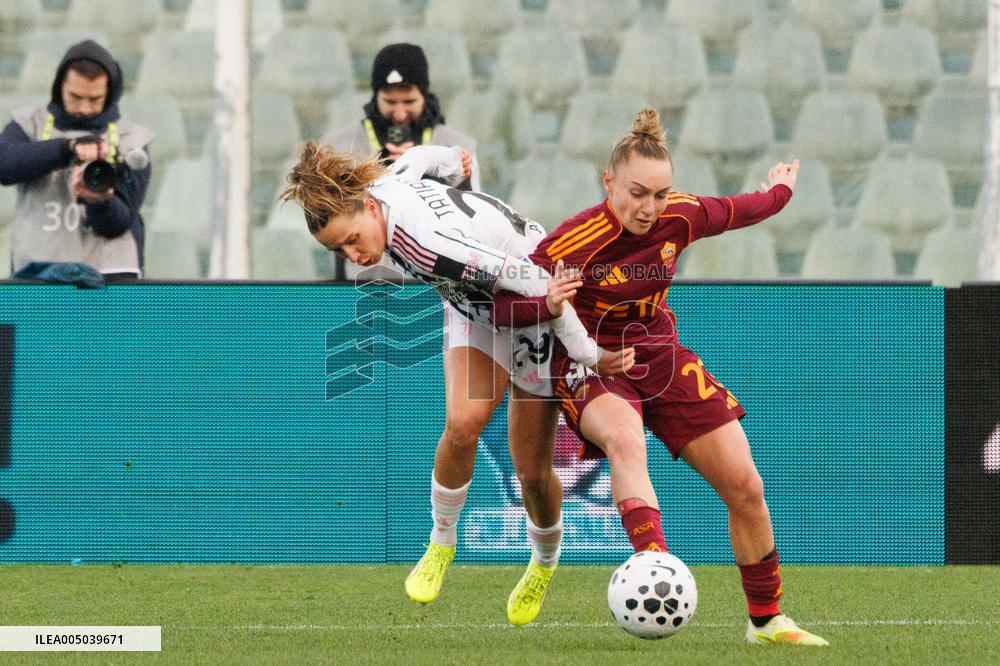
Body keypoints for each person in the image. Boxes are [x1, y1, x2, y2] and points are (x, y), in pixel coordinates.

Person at [281, 142, 634, 626]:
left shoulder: (429, 245)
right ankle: (441, 544)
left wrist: (588, 352)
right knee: (463, 423)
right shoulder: (383, 184)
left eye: (352, 239)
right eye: (337, 250)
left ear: (368, 208)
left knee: (531, 472)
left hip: (532, 308)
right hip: (475, 306)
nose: (353, 255)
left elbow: (532, 280)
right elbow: (428, 160)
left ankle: (543, 564)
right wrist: (458, 161)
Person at [527, 109, 829, 646]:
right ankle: (654, 565)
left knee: (747, 486)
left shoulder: (680, 216)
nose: (649, 208)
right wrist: (543, 300)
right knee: (624, 438)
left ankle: (767, 621)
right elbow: (514, 296)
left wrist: (781, 193)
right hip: (592, 362)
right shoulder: (573, 240)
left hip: (659, 356)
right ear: (608, 182)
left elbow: (739, 209)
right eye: (637, 193)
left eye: (660, 194)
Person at [324, 42, 480, 281]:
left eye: (409, 102)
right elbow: (329, 220)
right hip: (362, 284)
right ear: (375, 96)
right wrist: (378, 174)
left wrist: (426, 170)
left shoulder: (457, 148)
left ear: (425, 97)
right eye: (390, 102)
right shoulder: (339, 147)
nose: (399, 113)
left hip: (436, 287)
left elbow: (474, 221)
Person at [0, 40, 153, 279]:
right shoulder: (28, 124)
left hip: (110, 273)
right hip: (39, 269)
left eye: (95, 99)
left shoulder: (132, 140)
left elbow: (119, 222)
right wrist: (68, 149)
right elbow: (5, 165)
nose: (83, 108)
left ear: (110, 93)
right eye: (75, 96)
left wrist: (99, 200)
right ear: (60, 86)